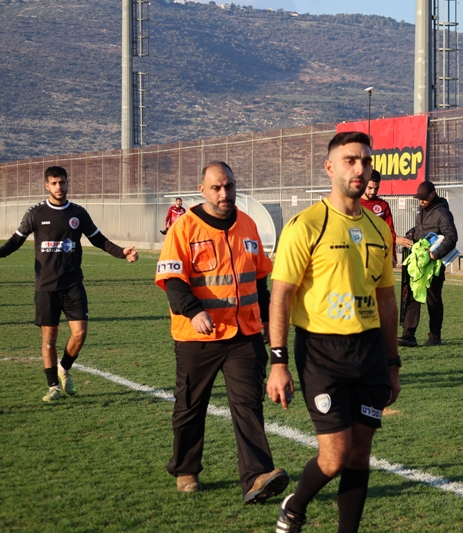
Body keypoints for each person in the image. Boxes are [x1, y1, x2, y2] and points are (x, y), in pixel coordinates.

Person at [266, 131, 401, 533]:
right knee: (334, 456)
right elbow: (281, 296)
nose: (360, 169)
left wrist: (392, 363)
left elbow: (387, 301)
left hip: (370, 352)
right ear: (329, 167)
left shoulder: (379, 228)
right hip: (321, 353)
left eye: (365, 161)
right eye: (350, 161)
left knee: (360, 454)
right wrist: (278, 362)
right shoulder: (306, 225)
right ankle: (295, 505)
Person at [155, 161, 289, 503]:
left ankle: (257, 477)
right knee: (190, 405)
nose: (224, 193)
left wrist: (265, 321)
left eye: (229, 186)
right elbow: (172, 281)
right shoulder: (184, 228)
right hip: (197, 336)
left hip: (244, 334)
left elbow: (259, 279)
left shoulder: (248, 225)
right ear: (202, 190)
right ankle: (186, 469)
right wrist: (194, 311)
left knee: (248, 404)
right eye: (216, 188)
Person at [0, 166, 139, 402]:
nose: (59, 187)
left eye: (62, 182)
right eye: (54, 183)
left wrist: (121, 252)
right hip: (46, 286)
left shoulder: (78, 213)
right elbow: (15, 240)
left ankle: (63, 368)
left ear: (67, 183)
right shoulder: (35, 213)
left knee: (80, 333)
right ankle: (53, 386)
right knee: (49, 338)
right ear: (47, 185)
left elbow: (98, 239)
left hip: (73, 284)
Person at [395, 181, 457, 347]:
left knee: (433, 300)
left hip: (433, 266)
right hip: (418, 263)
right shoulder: (420, 210)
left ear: (433, 194)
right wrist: (411, 233)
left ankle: (435, 336)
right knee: (412, 296)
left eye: (424, 198)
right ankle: (408, 334)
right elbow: (420, 229)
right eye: (419, 198)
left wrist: (435, 254)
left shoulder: (443, 213)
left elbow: (451, 237)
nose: (421, 201)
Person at [360, 170, 397, 266]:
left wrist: (392, 254)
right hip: (358, 255)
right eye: (370, 188)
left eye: (376, 188)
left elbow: (390, 232)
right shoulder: (354, 204)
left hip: (377, 255)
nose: (373, 192)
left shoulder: (383, 205)